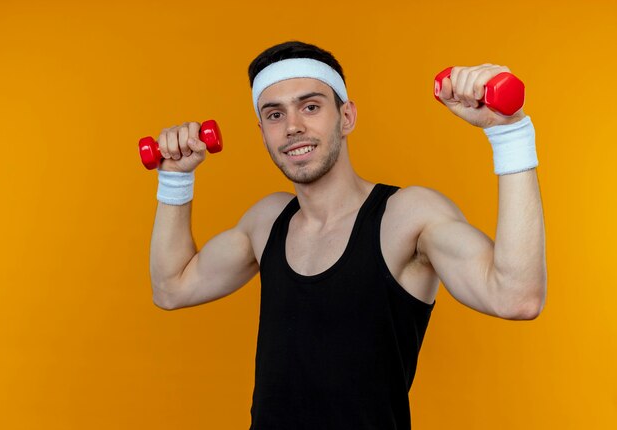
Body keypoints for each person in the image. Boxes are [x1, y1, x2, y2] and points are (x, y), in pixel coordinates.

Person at [148, 41, 547, 429]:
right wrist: (175, 179)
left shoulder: (407, 217)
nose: (293, 127)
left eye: (310, 106)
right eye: (274, 115)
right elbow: (171, 288)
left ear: (347, 117)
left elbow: (516, 297)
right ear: (263, 131)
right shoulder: (267, 221)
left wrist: (509, 133)